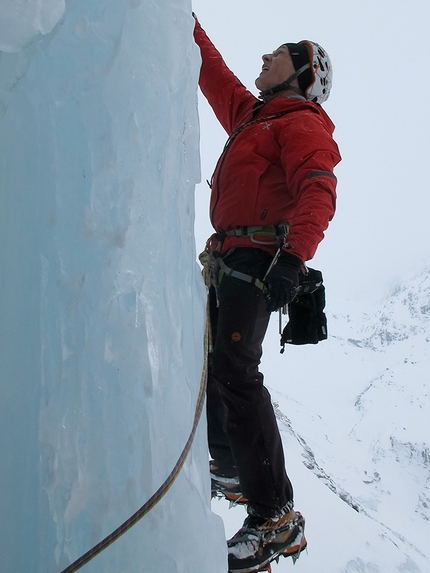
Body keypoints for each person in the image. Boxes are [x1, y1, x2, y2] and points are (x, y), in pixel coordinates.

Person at [193, 15, 341, 573]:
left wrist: (296, 257)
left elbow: (319, 187)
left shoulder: (299, 121)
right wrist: (185, 23)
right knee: (216, 365)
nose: (263, 59)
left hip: (258, 259)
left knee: (234, 370)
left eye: (275, 54)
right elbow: (216, 76)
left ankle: (276, 517)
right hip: (231, 258)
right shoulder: (253, 118)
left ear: (302, 74)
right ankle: (230, 466)